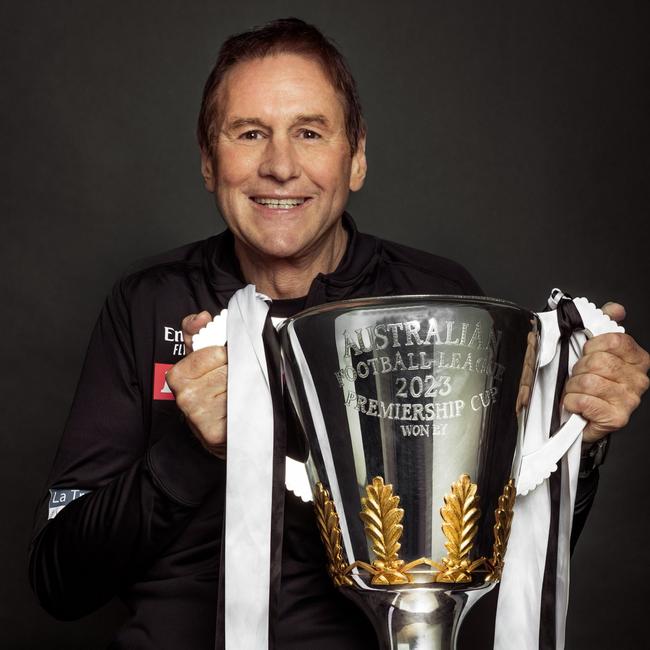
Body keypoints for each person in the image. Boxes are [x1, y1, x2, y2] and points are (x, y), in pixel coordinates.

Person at [29, 18, 649, 650]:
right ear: (209, 162)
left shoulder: (436, 300)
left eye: (309, 132)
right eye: (249, 134)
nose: (278, 166)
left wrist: (575, 438)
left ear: (355, 157)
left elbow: (498, 560)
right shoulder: (146, 302)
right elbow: (60, 582)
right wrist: (192, 450)